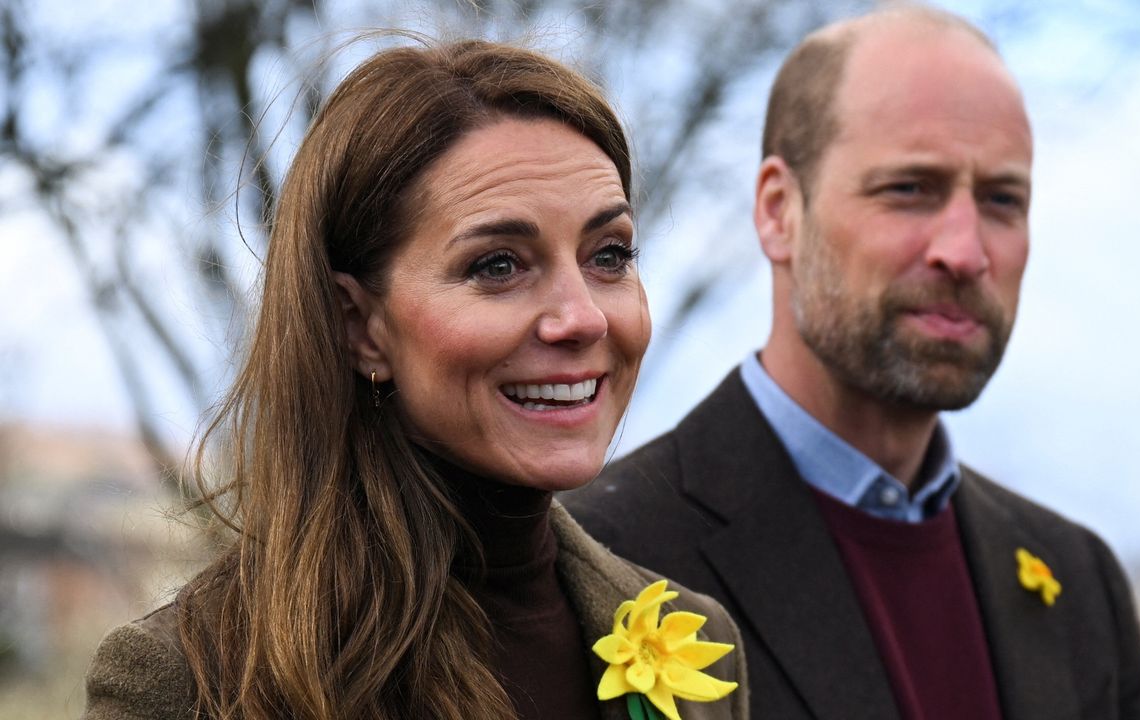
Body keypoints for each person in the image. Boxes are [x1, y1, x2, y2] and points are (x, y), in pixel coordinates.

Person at [81, 39, 746, 720]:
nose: (580, 319)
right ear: (359, 326)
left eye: (609, 255)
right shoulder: (195, 680)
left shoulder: (701, 641)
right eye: (498, 266)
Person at [564, 6, 1140, 720]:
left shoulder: (1080, 584)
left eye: (1003, 200)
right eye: (909, 189)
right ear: (779, 211)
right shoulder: (597, 564)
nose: (965, 252)